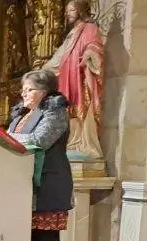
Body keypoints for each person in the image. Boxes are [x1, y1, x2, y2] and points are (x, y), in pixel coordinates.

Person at [7, 69, 73, 241]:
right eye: (23, 89)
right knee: (29, 236)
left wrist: (6, 140)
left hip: (48, 183)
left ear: (44, 91)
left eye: (30, 89)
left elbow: (40, 140)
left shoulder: (55, 112)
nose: (24, 93)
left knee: (46, 235)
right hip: (22, 183)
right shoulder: (23, 113)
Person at [42, 0, 105, 160]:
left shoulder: (90, 28)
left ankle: (84, 144)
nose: (67, 14)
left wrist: (89, 54)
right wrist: (45, 69)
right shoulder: (72, 33)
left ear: (80, 10)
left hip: (80, 77)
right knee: (68, 110)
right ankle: (71, 142)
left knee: (82, 107)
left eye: (71, 10)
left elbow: (95, 45)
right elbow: (61, 55)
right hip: (67, 77)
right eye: (67, 11)